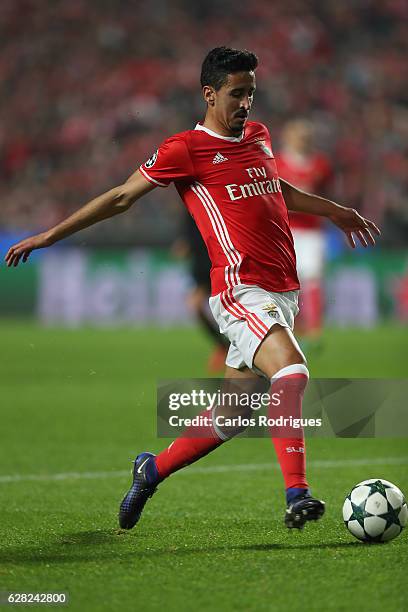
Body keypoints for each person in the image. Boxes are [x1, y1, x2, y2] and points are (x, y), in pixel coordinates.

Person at [5, 47, 380, 531]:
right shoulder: (184, 149)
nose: (246, 102)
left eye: (251, 92)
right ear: (209, 93)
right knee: (292, 374)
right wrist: (49, 236)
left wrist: (332, 209)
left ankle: (150, 469)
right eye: (236, 93)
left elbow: (274, 187)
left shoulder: (259, 137)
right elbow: (121, 196)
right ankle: (297, 493)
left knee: (233, 415)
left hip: (282, 290)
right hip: (239, 290)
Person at [275, 119, 333, 347]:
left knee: (312, 277)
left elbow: (326, 194)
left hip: (312, 230)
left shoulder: (320, 165)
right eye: (299, 136)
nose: (303, 141)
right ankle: (294, 325)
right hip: (284, 229)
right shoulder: (276, 163)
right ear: (288, 138)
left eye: (306, 137)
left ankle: (315, 328)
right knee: (289, 280)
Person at [173, 211, 229, 372]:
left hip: (217, 258)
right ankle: (224, 345)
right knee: (196, 305)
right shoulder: (188, 202)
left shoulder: (209, 197)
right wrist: (185, 243)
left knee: (222, 305)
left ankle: (231, 346)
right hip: (201, 260)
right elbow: (190, 229)